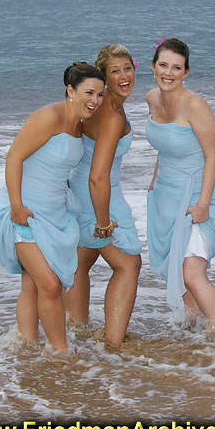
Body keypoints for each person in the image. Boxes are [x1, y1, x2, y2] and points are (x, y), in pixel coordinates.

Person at [0, 62, 106, 352]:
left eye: (100, 95)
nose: (95, 100)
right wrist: (16, 206)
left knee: (32, 284)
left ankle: (26, 348)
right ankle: (62, 353)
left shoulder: (79, 122)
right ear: (71, 90)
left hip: (56, 213)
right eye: (89, 93)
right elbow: (14, 157)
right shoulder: (49, 116)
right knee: (51, 285)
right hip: (26, 211)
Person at [145, 37, 215, 328]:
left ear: (186, 72)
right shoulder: (151, 98)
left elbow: (213, 155)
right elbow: (166, 142)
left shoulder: (195, 104)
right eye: (163, 65)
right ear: (154, 66)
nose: (168, 73)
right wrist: (155, 176)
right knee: (179, 270)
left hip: (200, 191)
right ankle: (191, 332)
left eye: (177, 68)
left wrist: (203, 204)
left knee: (192, 271)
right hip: (167, 194)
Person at [66, 45, 141, 347]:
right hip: (97, 193)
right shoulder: (109, 113)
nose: (124, 76)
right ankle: (113, 344)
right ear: (103, 77)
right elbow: (98, 176)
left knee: (82, 260)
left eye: (127, 68)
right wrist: (103, 222)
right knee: (128, 264)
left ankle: (75, 332)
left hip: (78, 189)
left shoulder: (94, 106)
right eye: (115, 71)